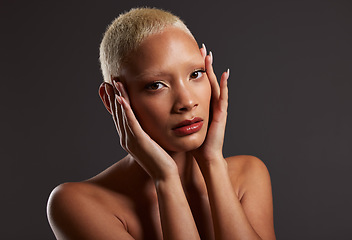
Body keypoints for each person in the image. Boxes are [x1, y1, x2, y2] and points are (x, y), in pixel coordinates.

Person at [47, 7, 276, 240]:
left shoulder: (248, 175)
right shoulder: (77, 204)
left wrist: (213, 163)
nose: (186, 102)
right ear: (112, 99)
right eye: (156, 85)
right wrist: (166, 179)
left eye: (196, 74)